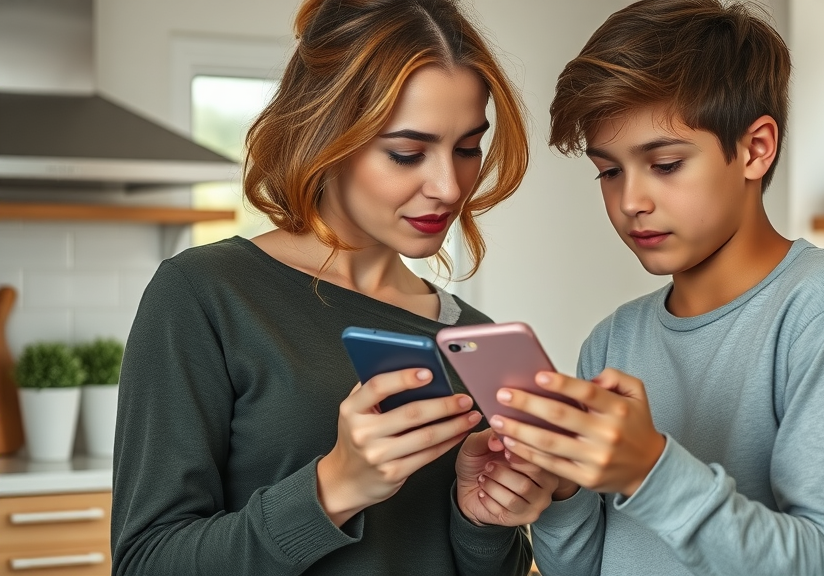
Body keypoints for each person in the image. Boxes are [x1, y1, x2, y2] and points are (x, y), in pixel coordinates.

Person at [110, 1, 555, 574]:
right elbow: (146, 562)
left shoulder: (472, 336)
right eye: (407, 153)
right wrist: (333, 488)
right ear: (328, 136)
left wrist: (484, 524)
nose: (449, 186)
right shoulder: (206, 295)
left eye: (467, 148)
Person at [489, 1, 824, 575]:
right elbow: (590, 567)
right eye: (609, 171)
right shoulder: (613, 339)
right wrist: (561, 493)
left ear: (755, 149)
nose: (630, 202)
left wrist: (651, 471)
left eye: (666, 164)